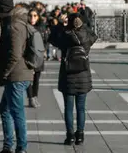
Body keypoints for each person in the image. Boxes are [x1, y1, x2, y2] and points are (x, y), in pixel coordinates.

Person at [0, 0, 33, 153]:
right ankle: (8, 148)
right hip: (17, 75)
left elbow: (15, 54)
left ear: (2, 12)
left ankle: (21, 150)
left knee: (16, 113)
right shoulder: (13, 24)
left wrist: (6, 72)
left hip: (17, 75)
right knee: (5, 109)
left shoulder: (15, 26)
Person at [49, 12, 98, 145]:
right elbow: (94, 35)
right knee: (81, 108)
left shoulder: (65, 35)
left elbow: (51, 38)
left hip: (68, 75)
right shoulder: (87, 36)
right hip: (83, 75)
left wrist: (59, 24)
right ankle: (80, 135)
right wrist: (83, 25)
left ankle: (70, 136)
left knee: (68, 108)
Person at [26, 8, 46, 108]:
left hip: (39, 57)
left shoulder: (41, 28)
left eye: (35, 15)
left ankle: (35, 96)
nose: (32, 18)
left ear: (38, 17)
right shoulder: (26, 28)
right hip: (29, 57)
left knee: (36, 79)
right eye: (30, 15)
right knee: (28, 79)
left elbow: (45, 41)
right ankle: (30, 98)